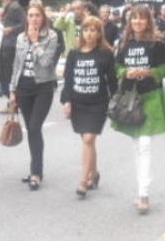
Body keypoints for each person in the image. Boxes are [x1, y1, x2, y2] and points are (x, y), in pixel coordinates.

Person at [111, 5, 165, 214]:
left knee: (144, 144)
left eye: (141, 18)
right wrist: (125, 72)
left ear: (148, 21)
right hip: (130, 99)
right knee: (137, 145)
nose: (137, 22)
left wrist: (147, 72)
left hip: (151, 97)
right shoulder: (124, 43)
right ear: (130, 22)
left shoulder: (157, 44)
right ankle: (140, 190)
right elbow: (117, 67)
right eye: (134, 18)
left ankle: (144, 194)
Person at [60, 16, 117, 200]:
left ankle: (83, 181)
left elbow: (112, 81)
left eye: (93, 30)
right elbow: (68, 79)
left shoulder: (106, 54)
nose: (89, 33)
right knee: (88, 142)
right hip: (78, 103)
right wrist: (66, 101)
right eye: (86, 30)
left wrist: (115, 102)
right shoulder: (74, 53)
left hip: (98, 103)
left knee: (88, 138)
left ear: (99, 33)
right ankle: (94, 173)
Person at [9, 3, 60, 191]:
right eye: (30, 15)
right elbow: (16, 64)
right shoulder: (21, 38)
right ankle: (34, 170)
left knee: (35, 126)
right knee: (31, 130)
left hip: (43, 87)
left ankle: (36, 172)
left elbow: (47, 62)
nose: (34, 19)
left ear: (43, 18)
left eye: (37, 15)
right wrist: (12, 89)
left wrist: (36, 41)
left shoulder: (51, 36)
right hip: (24, 87)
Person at [0, 0, 26, 113]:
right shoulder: (8, 7)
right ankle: (12, 101)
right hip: (5, 43)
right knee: (3, 73)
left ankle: (13, 102)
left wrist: (11, 29)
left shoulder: (15, 7)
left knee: (9, 74)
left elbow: (24, 24)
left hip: (11, 45)